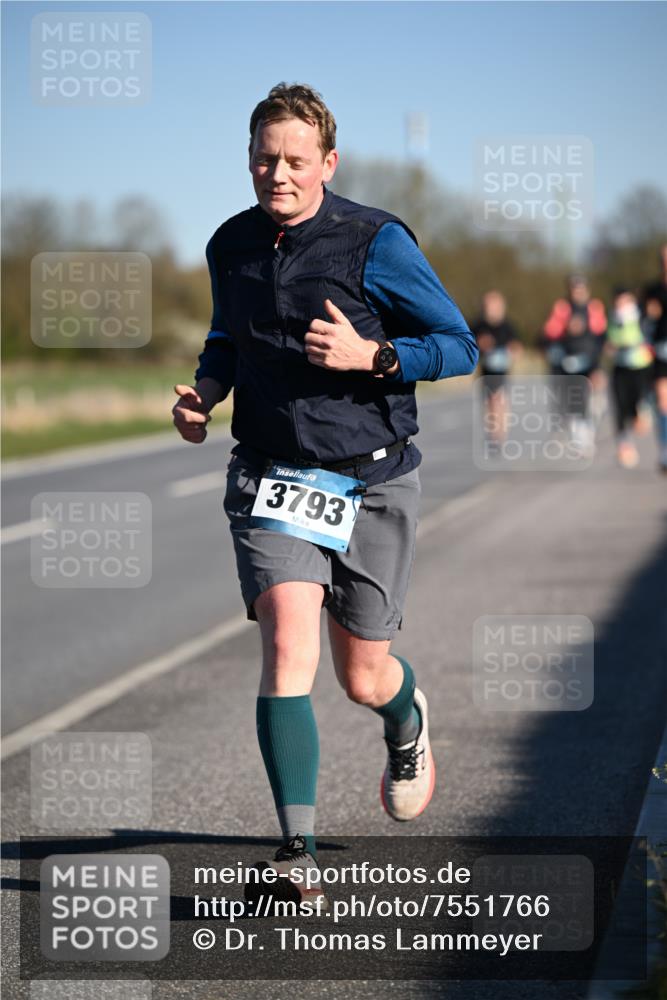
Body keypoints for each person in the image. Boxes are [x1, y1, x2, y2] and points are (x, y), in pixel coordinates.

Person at [172, 83, 478, 904]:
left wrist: (374, 359)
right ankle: (295, 850)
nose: (277, 174)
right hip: (273, 475)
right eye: (263, 159)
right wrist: (206, 390)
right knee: (286, 644)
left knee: (363, 677)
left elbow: (457, 346)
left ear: (327, 164)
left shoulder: (374, 241)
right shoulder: (229, 244)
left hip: (373, 477)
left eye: (294, 161)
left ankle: (405, 722)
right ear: (248, 159)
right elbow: (227, 334)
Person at [541, 275, 607, 456]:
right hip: (568, 361)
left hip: (591, 360)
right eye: (574, 289)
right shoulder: (562, 308)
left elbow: (601, 336)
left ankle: (587, 432)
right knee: (573, 400)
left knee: (594, 396)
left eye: (581, 289)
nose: (578, 292)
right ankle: (579, 439)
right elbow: (549, 334)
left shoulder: (595, 307)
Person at [606, 287, 654, 468]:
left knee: (638, 407)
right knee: (619, 407)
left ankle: (642, 415)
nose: (621, 305)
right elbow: (607, 340)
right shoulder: (612, 319)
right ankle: (624, 446)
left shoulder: (642, 316)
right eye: (618, 301)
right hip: (620, 367)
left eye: (624, 301)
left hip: (640, 366)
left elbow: (649, 337)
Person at [471, 290, 522, 445]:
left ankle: (499, 434)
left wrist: (511, 351)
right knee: (488, 403)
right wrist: (481, 344)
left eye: (494, 305)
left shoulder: (507, 326)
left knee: (499, 401)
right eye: (488, 305)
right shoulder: (478, 325)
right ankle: (493, 432)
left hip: (502, 371)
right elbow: (469, 345)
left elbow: (517, 347)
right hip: (485, 372)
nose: (491, 309)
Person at [642, 243, 667, 473]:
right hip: (661, 354)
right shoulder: (652, 290)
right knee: (663, 401)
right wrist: (650, 317)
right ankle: (665, 449)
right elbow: (641, 323)